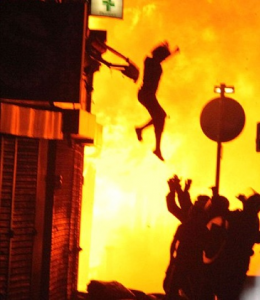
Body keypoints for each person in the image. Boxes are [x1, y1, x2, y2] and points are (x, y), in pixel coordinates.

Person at [135, 42, 179, 161]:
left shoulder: (152, 62)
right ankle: (156, 147)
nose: (164, 59)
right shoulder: (151, 62)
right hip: (146, 95)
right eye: (163, 56)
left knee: (160, 116)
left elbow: (160, 58)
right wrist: (170, 52)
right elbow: (158, 59)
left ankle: (142, 131)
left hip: (148, 95)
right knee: (160, 116)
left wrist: (172, 52)